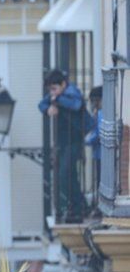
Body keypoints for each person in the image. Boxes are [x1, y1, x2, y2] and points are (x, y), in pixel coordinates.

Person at [38, 70, 85, 222]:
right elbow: (41, 104)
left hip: (75, 140)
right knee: (68, 175)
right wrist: (48, 109)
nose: (52, 92)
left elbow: (76, 105)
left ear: (63, 84)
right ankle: (78, 205)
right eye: (50, 89)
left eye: (54, 88)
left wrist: (57, 99)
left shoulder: (72, 92)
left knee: (66, 173)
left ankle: (77, 205)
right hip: (63, 141)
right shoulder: (57, 94)